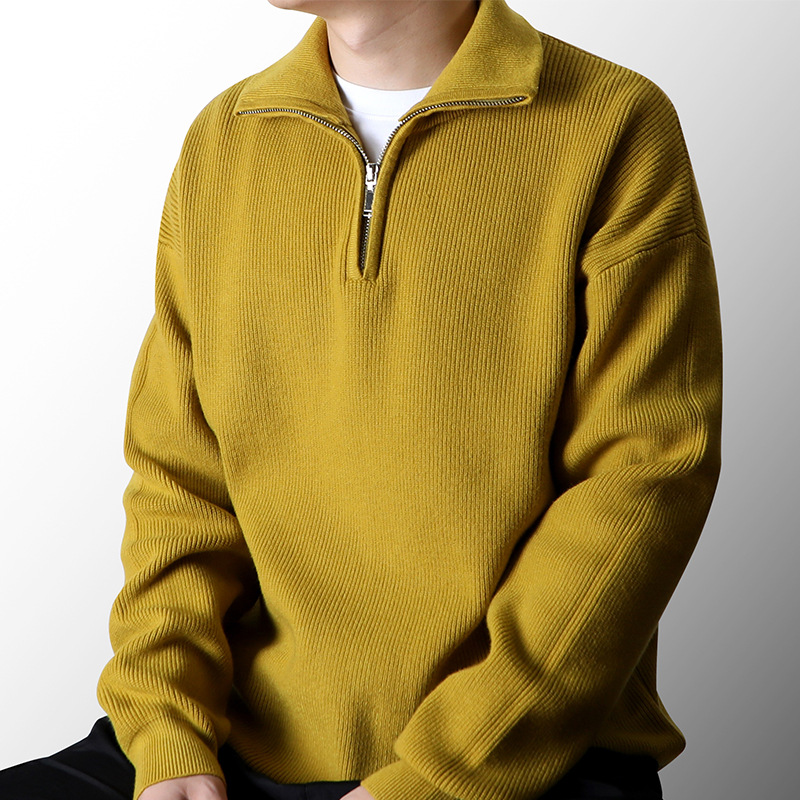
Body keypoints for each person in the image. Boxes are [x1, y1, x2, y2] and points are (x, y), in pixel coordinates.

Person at [0, 0, 723, 798]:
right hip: (228, 747)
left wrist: (431, 779)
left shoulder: (613, 124)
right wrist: (169, 735)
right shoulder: (226, 139)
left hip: (520, 759)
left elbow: (644, 480)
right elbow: (178, 485)